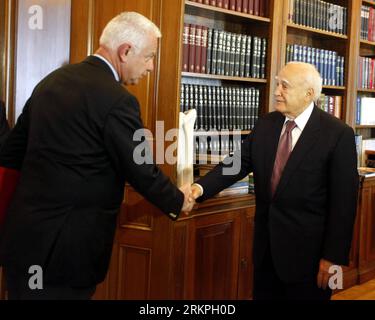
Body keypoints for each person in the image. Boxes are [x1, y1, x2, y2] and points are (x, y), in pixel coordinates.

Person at [0, 12, 192, 300]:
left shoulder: (50, 82)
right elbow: (141, 169)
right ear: (125, 51)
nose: (151, 66)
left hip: (24, 243)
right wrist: (178, 201)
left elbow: (11, 153)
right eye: (149, 56)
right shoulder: (119, 100)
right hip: (66, 257)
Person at [188, 62, 359, 300]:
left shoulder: (337, 134)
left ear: (309, 94)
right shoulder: (266, 124)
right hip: (266, 252)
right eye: (277, 83)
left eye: (284, 86)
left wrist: (332, 258)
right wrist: (199, 188)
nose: (276, 91)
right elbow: (236, 163)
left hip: (309, 258)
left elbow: (344, 204)